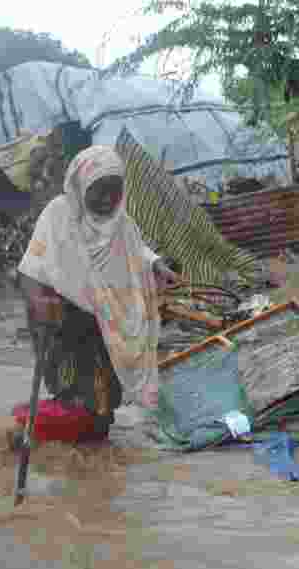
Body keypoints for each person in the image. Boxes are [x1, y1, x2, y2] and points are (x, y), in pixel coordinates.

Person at [17, 145, 180, 435]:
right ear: (81, 186)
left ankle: (88, 438)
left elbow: (135, 250)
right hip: (60, 317)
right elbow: (30, 267)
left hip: (104, 319)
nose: (107, 200)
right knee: (74, 389)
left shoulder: (122, 223)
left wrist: (155, 265)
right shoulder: (58, 215)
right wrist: (38, 301)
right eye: (99, 191)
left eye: (114, 191)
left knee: (104, 399)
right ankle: (61, 440)